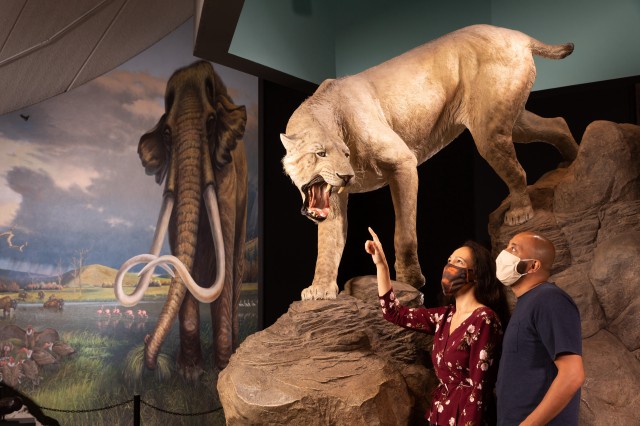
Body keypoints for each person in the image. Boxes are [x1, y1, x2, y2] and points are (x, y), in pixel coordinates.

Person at [365, 227, 509, 425]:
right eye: (449, 261)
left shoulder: (484, 319)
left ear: (476, 274)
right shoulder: (445, 316)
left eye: (459, 262)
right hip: (442, 412)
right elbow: (394, 313)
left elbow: (479, 388)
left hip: (467, 417)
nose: (449, 267)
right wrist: (381, 264)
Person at [495, 231, 584, 425]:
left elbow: (572, 374)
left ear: (533, 265)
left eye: (513, 248)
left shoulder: (549, 299)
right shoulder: (526, 303)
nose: (504, 254)